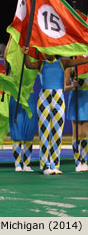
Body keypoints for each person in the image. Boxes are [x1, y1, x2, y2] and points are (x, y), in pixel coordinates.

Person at [22, 46, 88, 175]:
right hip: (44, 99)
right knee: (45, 132)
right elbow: (29, 65)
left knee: (57, 132)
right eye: (43, 52)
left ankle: (54, 164)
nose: (45, 54)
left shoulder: (64, 63)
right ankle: (46, 165)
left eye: (47, 51)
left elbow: (82, 61)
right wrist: (25, 55)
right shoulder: (41, 63)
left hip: (58, 99)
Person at [64, 63, 88, 172]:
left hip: (86, 98)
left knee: (85, 132)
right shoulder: (71, 65)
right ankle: (78, 162)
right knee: (77, 132)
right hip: (76, 97)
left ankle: (85, 161)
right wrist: (73, 85)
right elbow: (65, 88)